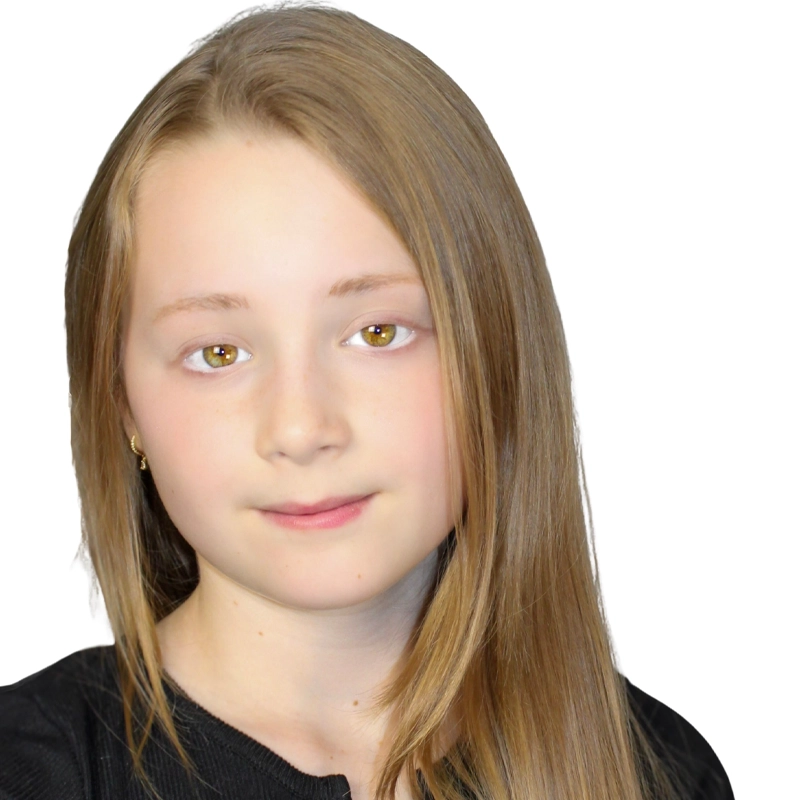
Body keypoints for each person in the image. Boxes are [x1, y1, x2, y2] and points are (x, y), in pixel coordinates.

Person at [0, 5, 734, 799]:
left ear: (493, 351)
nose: (302, 428)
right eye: (218, 353)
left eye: (378, 332)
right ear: (123, 407)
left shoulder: (658, 773)